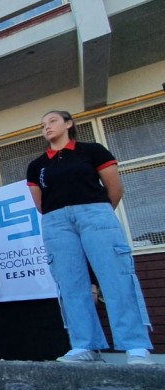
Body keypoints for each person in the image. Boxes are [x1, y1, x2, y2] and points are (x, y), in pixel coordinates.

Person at [26, 110, 154, 365]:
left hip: (95, 213)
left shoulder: (91, 151)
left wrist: (97, 212)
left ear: (68, 123)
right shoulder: (37, 165)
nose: (47, 127)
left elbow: (114, 189)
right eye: (42, 125)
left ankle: (135, 345)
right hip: (55, 221)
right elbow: (40, 204)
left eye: (52, 121)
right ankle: (84, 344)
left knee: (115, 276)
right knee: (70, 283)